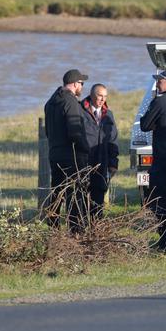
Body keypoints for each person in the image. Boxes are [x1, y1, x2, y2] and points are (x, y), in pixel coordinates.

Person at [139, 69, 166, 251]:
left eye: (160, 81)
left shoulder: (160, 101)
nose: (157, 84)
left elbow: (145, 125)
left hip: (163, 160)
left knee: (158, 199)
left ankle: (165, 239)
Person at [44, 68, 90, 231]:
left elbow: (47, 131)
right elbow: (75, 131)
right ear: (75, 84)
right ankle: (75, 232)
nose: (82, 87)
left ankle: (53, 229)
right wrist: (86, 149)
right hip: (71, 155)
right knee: (75, 195)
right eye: (81, 83)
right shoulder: (70, 102)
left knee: (57, 193)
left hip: (55, 154)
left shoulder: (51, 101)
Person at [80, 83, 119, 220]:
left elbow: (113, 141)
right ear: (91, 95)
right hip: (84, 164)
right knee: (82, 200)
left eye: (105, 97)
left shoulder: (108, 114)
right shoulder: (80, 111)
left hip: (102, 164)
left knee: (98, 202)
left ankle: (96, 233)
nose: (102, 100)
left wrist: (113, 163)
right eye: (100, 96)